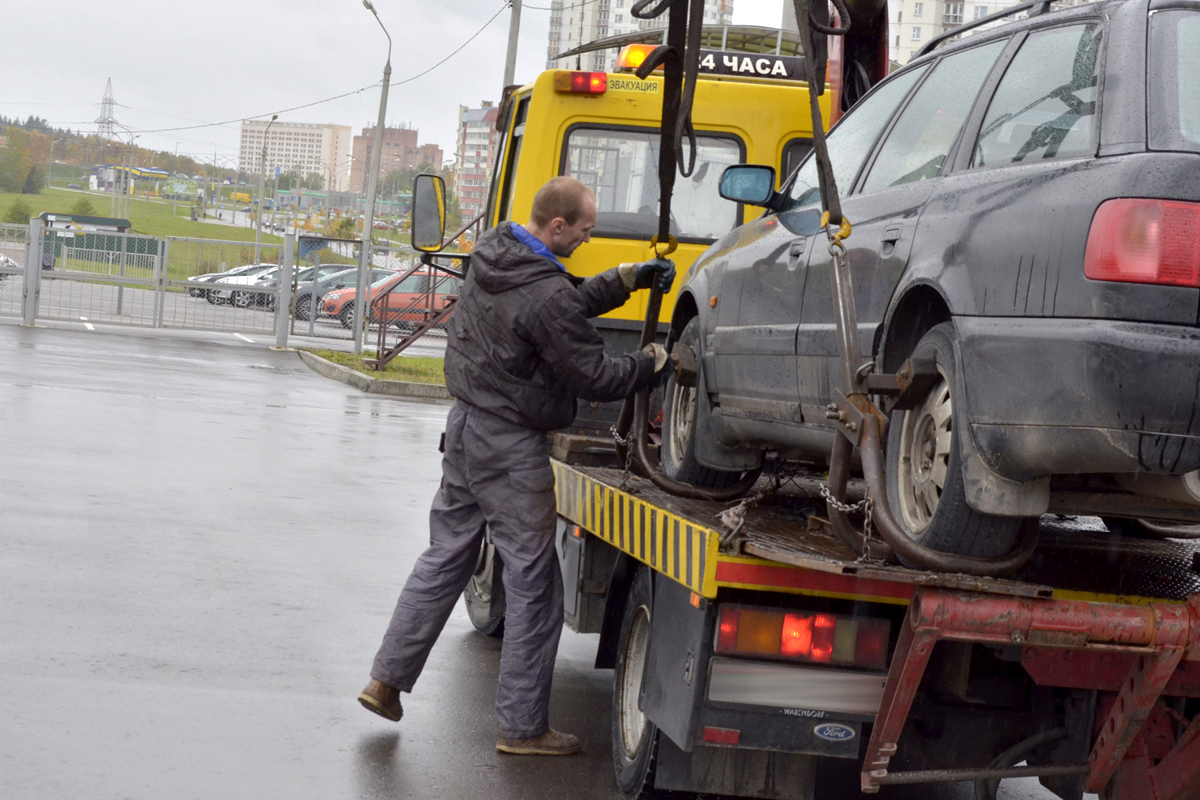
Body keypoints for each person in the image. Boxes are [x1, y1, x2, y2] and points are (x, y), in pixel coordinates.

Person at [358, 176, 675, 756]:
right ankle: (522, 728)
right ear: (557, 227)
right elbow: (593, 375)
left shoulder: (493, 253)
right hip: (510, 445)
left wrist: (624, 281)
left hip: (464, 428)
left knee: (445, 555)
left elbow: (554, 308)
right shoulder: (545, 291)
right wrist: (649, 364)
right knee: (533, 584)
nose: (587, 237)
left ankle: (385, 681)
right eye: (583, 229)